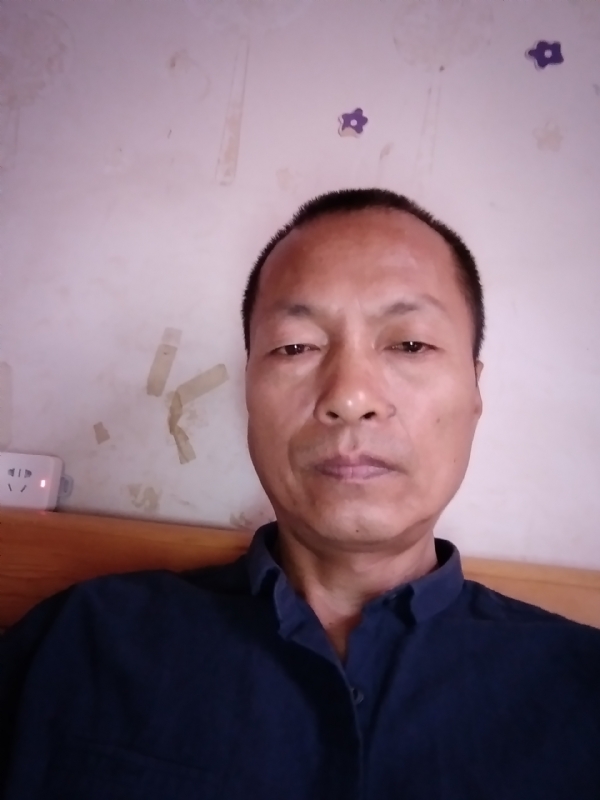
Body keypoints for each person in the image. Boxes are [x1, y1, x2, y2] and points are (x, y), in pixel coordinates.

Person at [1, 188, 599, 800]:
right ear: (248, 391)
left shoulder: (582, 690)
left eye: (410, 344)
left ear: (475, 391)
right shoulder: (81, 645)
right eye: (295, 347)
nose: (350, 396)